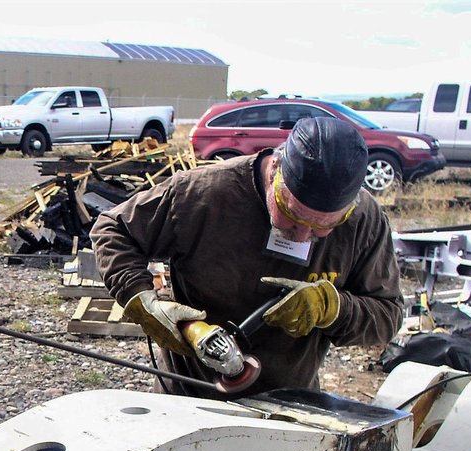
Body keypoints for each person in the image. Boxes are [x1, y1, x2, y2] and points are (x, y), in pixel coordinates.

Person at [92, 116, 403, 398]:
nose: (303, 235)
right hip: (187, 397)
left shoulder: (365, 221)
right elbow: (112, 229)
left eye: (324, 227)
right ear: (275, 173)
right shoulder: (204, 194)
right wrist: (140, 298)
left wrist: (334, 309)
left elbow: (388, 315)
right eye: (293, 216)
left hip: (289, 407)